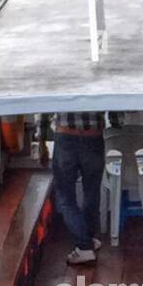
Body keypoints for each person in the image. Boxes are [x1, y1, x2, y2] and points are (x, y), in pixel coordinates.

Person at [48, 111, 108, 266]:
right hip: (94, 137)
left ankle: (84, 246)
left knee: (65, 197)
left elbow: (44, 103)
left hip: (66, 137)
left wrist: (41, 137)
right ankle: (87, 239)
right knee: (92, 193)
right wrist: (116, 121)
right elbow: (113, 100)